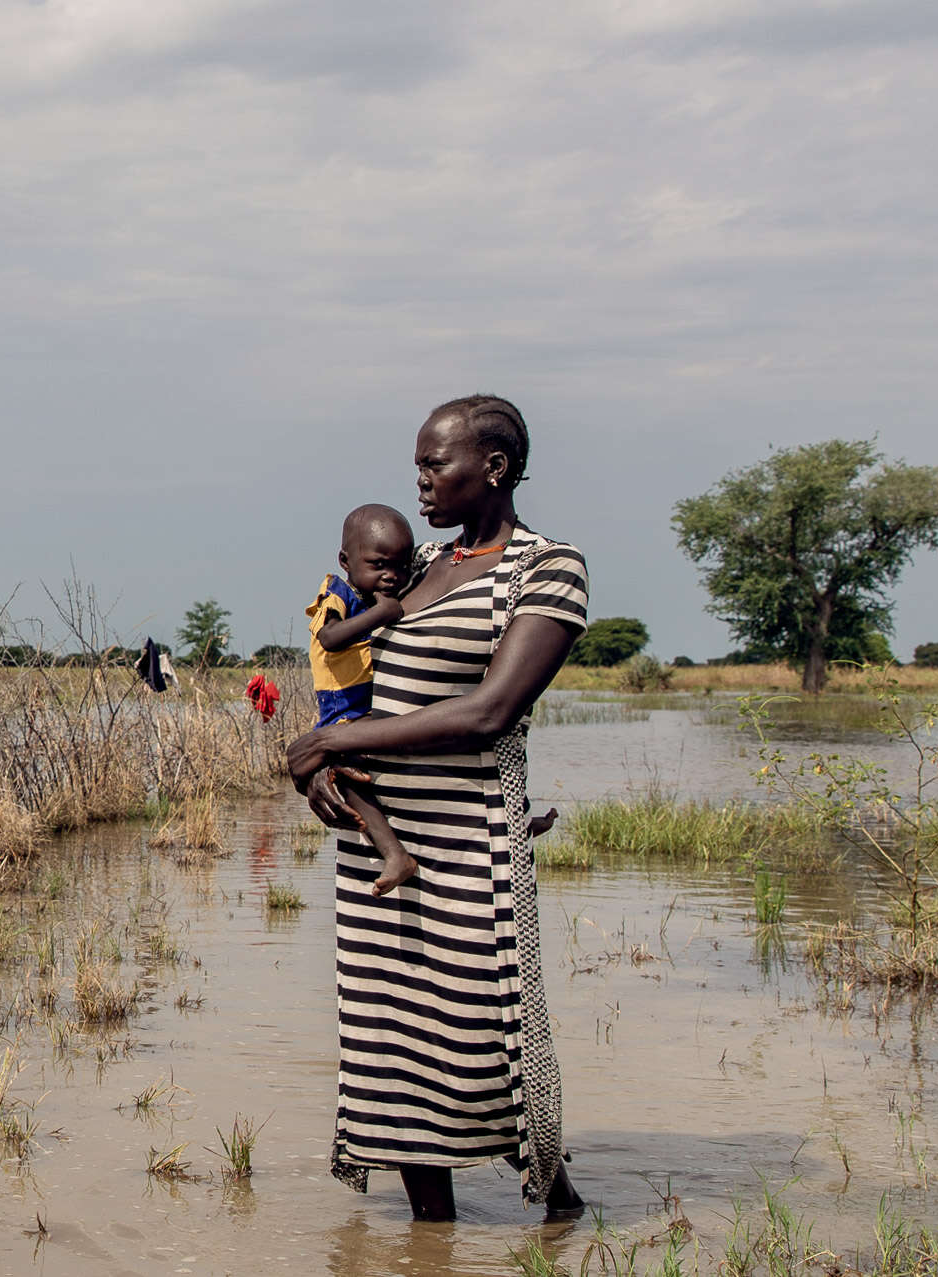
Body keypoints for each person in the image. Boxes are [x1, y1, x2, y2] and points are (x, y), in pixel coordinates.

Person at [286, 394, 588, 1222]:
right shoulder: (414, 568)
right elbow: (344, 668)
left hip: (467, 843)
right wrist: (324, 765)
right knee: (391, 1045)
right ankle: (434, 1238)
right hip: (377, 848)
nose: (418, 481)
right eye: (417, 464)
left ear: (491, 468)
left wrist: (338, 747)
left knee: (486, 1036)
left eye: (433, 463)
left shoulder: (545, 568)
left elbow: (492, 710)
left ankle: (555, 1203)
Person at [305, 504, 424, 895]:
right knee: (345, 772)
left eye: (401, 566)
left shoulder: (373, 595)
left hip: (369, 707)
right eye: (378, 564)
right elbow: (330, 638)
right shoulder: (337, 592)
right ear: (345, 560)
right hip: (342, 710)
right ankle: (393, 852)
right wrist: (383, 613)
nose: (391, 576)